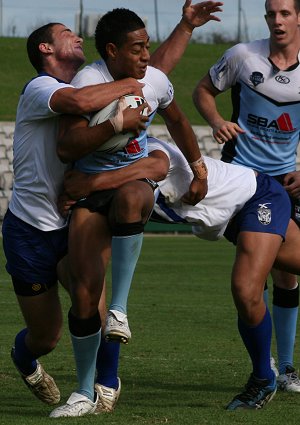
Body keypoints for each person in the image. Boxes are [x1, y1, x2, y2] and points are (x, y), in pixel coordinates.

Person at [1, 0, 223, 416]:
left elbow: (145, 68)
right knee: (45, 336)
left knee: (95, 307)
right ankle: (25, 359)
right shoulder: (43, 88)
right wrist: (128, 101)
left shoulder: (100, 75)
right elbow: (94, 97)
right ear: (46, 50)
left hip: (72, 214)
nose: (77, 36)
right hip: (31, 229)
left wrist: (184, 29)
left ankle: (102, 384)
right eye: (67, 33)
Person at [60, 136, 300, 410]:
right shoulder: (105, 176)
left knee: (246, 289)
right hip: (228, 218)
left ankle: (263, 377)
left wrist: (88, 185)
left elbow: (158, 166)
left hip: (256, 196)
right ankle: (107, 380)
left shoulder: (148, 149)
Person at [192, 0, 300, 394]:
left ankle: (284, 367)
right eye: (271, 14)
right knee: (258, 273)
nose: (277, 21)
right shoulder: (242, 56)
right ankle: (267, 367)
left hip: (285, 183)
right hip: (242, 181)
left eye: (285, 13)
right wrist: (218, 121)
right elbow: (202, 90)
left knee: (285, 273)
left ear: (299, 17)